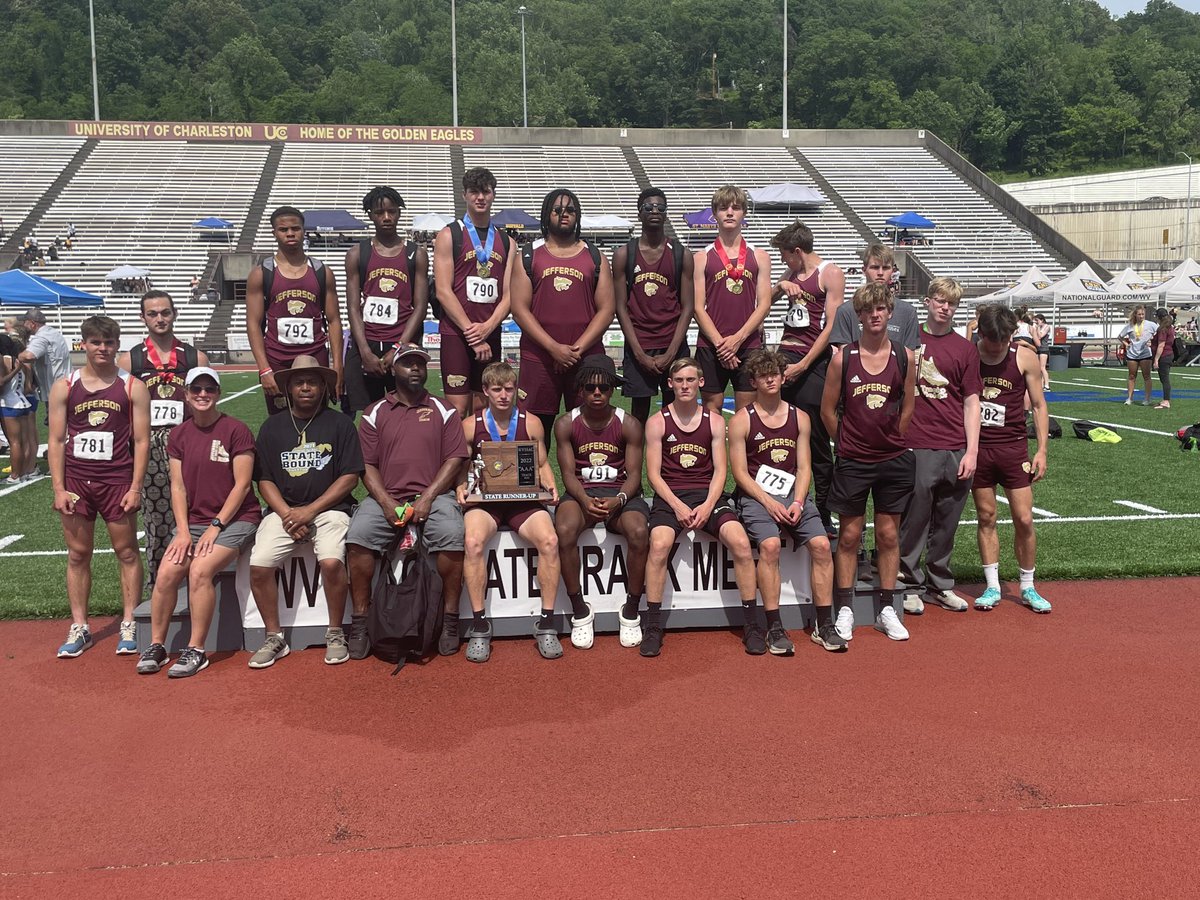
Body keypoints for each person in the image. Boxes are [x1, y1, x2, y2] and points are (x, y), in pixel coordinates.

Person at [344, 344, 467, 660]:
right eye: (408, 364)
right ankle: (360, 621)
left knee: (453, 534)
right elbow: (366, 466)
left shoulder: (445, 410)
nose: (416, 369)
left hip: (435, 496)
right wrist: (385, 503)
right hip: (387, 497)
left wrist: (427, 498)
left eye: (421, 364)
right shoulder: (374, 413)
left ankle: (450, 619)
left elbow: (454, 459)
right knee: (358, 535)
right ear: (393, 370)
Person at [136, 368, 261, 677]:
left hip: (236, 519)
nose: (203, 394)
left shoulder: (236, 430)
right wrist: (181, 531)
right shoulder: (178, 435)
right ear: (186, 394)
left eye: (209, 388)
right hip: (194, 522)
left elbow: (242, 485)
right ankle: (157, 645)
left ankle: (196, 649)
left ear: (217, 393)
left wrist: (216, 526)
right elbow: (177, 487)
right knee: (165, 573)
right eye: (196, 389)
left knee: (200, 569)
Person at [246, 356, 364, 668]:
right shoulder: (272, 427)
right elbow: (265, 479)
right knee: (258, 565)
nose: (306, 387)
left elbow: (350, 476)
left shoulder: (340, 424)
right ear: (288, 388)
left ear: (324, 386)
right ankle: (274, 636)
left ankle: (335, 631)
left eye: (313, 381)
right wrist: (288, 513)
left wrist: (309, 511)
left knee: (330, 560)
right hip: (284, 512)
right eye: (299, 382)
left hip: (330, 510)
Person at [727, 350, 845, 654]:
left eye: (775, 373)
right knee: (769, 546)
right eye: (763, 374)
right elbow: (740, 473)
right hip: (757, 497)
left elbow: (804, 467)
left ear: (783, 377)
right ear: (753, 381)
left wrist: (798, 501)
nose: (770, 379)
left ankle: (823, 623)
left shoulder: (799, 417)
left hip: (793, 495)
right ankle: (774, 625)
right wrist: (769, 503)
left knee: (820, 545)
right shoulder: (742, 420)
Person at [642, 358, 758, 657]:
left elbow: (721, 471)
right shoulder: (657, 421)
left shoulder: (716, 421)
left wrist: (707, 506)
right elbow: (653, 474)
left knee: (741, 543)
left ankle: (752, 624)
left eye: (690, 380)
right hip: (671, 497)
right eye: (679, 380)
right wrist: (678, 506)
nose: (684, 386)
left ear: (700, 383)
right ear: (670, 384)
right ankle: (653, 625)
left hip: (707, 495)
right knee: (659, 545)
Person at [821, 283, 917, 643]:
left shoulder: (905, 356)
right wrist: (845, 442)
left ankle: (887, 608)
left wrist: (894, 438)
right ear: (858, 316)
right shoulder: (842, 357)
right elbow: (828, 410)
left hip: (893, 459)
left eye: (881, 309)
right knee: (849, 535)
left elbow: (908, 406)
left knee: (889, 534)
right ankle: (845, 607)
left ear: (889, 313)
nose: (875, 315)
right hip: (854, 460)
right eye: (868, 310)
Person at [49, 316, 150, 658]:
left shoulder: (132, 386)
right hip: (77, 481)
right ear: (84, 344)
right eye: (96, 342)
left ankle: (130, 621)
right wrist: (59, 488)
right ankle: (80, 626)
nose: (103, 349)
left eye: (108, 342)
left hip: (117, 480)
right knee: (78, 554)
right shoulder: (65, 385)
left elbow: (141, 440)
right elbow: (56, 439)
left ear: (117, 344)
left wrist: (136, 487)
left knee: (126, 552)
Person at [455, 361, 562, 662]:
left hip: (522, 500)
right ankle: (479, 625)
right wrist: (460, 488)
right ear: (486, 391)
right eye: (497, 389)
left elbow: (541, 464)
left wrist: (552, 487)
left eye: (509, 388)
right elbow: (461, 466)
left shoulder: (531, 422)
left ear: (516, 390)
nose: (504, 395)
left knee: (550, 541)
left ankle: (547, 623)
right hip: (485, 502)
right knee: (473, 542)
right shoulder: (470, 424)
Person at [553, 354, 651, 649]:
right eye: (591, 388)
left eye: (604, 388)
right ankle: (579, 610)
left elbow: (635, 475)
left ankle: (631, 609)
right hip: (582, 493)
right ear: (581, 389)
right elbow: (567, 474)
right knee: (565, 530)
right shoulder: (566, 424)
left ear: (612, 390)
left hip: (619, 494)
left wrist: (619, 500)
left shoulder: (629, 424)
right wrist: (583, 499)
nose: (597, 393)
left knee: (638, 531)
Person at [897, 278, 981, 616]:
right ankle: (909, 583)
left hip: (955, 446)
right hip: (916, 444)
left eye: (952, 303)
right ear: (928, 301)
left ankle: (940, 584)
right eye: (940, 301)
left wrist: (972, 450)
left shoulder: (965, 349)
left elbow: (972, 402)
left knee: (947, 521)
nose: (945, 308)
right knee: (914, 520)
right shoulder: (908, 338)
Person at [117, 290, 209, 598]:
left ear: (175, 314)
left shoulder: (195, 357)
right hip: (150, 449)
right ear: (143, 317)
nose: (160, 318)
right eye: (153, 314)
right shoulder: (131, 360)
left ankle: (195, 582)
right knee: (157, 522)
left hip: (188, 446)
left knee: (194, 517)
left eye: (165, 312)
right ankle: (158, 588)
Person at [511, 188, 616, 441]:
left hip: (585, 356)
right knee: (533, 431)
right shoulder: (528, 255)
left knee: (588, 429)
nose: (564, 215)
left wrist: (574, 350)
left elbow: (607, 309)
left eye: (570, 210)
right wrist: (553, 348)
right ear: (546, 215)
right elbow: (519, 310)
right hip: (539, 357)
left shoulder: (595, 257)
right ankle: (534, 482)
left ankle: (589, 482)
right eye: (557, 210)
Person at [972, 304, 1051, 613]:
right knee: (987, 516)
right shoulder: (969, 355)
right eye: (994, 340)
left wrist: (1042, 449)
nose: (999, 345)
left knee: (1024, 517)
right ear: (982, 334)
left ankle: (1028, 586)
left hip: (1013, 447)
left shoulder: (1024, 355)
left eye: (1005, 339)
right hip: (979, 449)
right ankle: (992, 586)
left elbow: (1039, 405)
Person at [770, 220, 847, 537]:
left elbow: (831, 326)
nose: (783, 261)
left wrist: (803, 364)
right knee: (780, 434)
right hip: (785, 356)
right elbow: (764, 302)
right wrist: (780, 287)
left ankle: (826, 513)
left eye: (785, 255)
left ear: (798, 252)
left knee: (816, 440)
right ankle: (778, 502)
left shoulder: (830, 273)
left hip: (813, 362)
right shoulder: (790, 274)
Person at [433, 167, 517, 419]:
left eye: (486, 191)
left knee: (485, 408)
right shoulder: (449, 235)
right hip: (457, 334)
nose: (480, 197)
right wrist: (474, 334)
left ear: (493, 195)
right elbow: (443, 291)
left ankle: (483, 459)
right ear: (464, 195)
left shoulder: (506, 242)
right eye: (474, 192)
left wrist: (489, 327)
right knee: (457, 409)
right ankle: (459, 459)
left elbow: (509, 295)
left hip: (490, 332)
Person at [246, 206, 344, 415]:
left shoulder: (322, 272)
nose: (290, 233)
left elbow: (334, 320)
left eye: (295, 228)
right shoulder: (261, 274)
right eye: (283, 230)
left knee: (319, 418)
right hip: (277, 359)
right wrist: (264, 369)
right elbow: (253, 324)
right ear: (274, 233)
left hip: (315, 358)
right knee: (280, 421)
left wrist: (337, 367)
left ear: (304, 230)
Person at [612, 188, 695, 424]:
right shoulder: (623, 254)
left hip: (673, 345)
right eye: (649, 207)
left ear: (667, 214)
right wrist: (638, 353)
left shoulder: (681, 254)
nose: (655, 211)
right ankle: (635, 463)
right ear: (639, 213)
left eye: (660, 207)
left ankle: (671, 461)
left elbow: (688, 307)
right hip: (639, 345)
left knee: (677, 414)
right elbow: (620, 307)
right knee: (638, 414)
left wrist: (671, 352)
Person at [344, 187, 428, 413]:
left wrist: (398, 348)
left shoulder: (416, 253)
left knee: (406, 409)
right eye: (380, 212)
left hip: (402, 340)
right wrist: (364, 352)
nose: (387, 217)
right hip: (367, 341)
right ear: (370, 214)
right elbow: (352, 307)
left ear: (400, 213)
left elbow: (420, 307)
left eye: (392, 211)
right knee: (365, 411)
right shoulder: (356, 254)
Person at [692, 185, 774, 415]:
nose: (729, 212)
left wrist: (737, 340)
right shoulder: (701, 257)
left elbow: (764, 304)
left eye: (736, 208)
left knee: (748, 412)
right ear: (714, 213)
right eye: (723, 208)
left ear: (744, 213)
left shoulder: (760, 256)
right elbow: (698, 307)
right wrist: (722, 345)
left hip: (748, 344)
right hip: (710, 344)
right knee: (711, 410)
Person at [827, 245, 919, 352]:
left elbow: (910, 357)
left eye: (885, 268)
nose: (880, 273)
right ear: (864, 269)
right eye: (875, 267)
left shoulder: (908, 312)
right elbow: (844, 356)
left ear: (893, 271)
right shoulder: (846, 311)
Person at [0, 331, 38, 482]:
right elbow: (29, 386)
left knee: (14, 442)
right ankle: (22, 472)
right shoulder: (18, 361)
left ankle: (15, 475)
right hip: (21, 401)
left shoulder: (6, 360)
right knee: (22, 441)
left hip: (9, 403)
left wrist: (14, 371)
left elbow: (2, 384)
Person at [19, 307, 71, 412]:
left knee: (57, 424)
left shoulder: (41, 337)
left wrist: (18, 356)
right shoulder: (54, 333)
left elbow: (29, 356)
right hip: (66, 383)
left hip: (55, 389)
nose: (23, 325)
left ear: (32, 323)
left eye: (25, 322)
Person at [1119, 304, 1157, 406]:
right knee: (1132, 376)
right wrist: (1126, 344)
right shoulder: (1130, 326)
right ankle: (1130, 398)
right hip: (1132, 354)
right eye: (1139, 314)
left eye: (1143, 314)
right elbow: (1120, 336)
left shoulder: (1150, 324)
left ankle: (1147, 398)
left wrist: (1152, 341)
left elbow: (1159, 333)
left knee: (1147, 376)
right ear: (1135, 315)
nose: (1141, 316)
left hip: (1145, 353)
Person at [1151, 307, 1176, 410]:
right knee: (1164, 379)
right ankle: (1165, 400)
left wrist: (1156, 359)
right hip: (1169, 354)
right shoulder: (1169, 326)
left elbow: (1161, 345)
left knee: (1164, 379)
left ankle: (1166, 401)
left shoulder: (1163, 328)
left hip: (1164, 356)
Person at [1032, 313, 1051, 390]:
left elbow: (1040, 336)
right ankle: (1041, 384)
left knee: (1042, 367)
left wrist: (1038, 327)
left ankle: (1047, 385)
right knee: (1038, 368)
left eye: (1037, 320)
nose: (1036, 322)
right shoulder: (1037, 327)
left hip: (1044, 349)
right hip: (1038, 349)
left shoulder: (1046, 326)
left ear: (1042, 320)